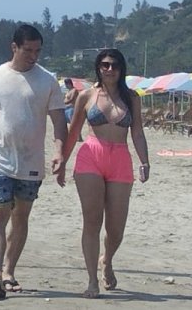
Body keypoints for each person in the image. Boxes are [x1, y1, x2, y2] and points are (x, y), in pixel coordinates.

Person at [0, 24, 66, 300]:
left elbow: (58, 121)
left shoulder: (47, 81)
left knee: (20, 216)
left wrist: (59, 151)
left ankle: (9, 271)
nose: (33, 56)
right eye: (28, 50)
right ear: (14, 47)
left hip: (31, 161)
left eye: (38, 51)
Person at [56, 49, 149, 299]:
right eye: (105, 65)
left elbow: (137, 132)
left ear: (122, 69)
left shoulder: (132, 98)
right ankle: (91, 281)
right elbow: (74, 131)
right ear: (98, 68)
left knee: (116, 228)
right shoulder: (86, 96)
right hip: (91, 156)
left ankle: (106, 259)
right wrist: (62, 161)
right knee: (92, 220)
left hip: (120, 158)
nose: (110, 69)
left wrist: (145, 161)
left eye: (115, 65)